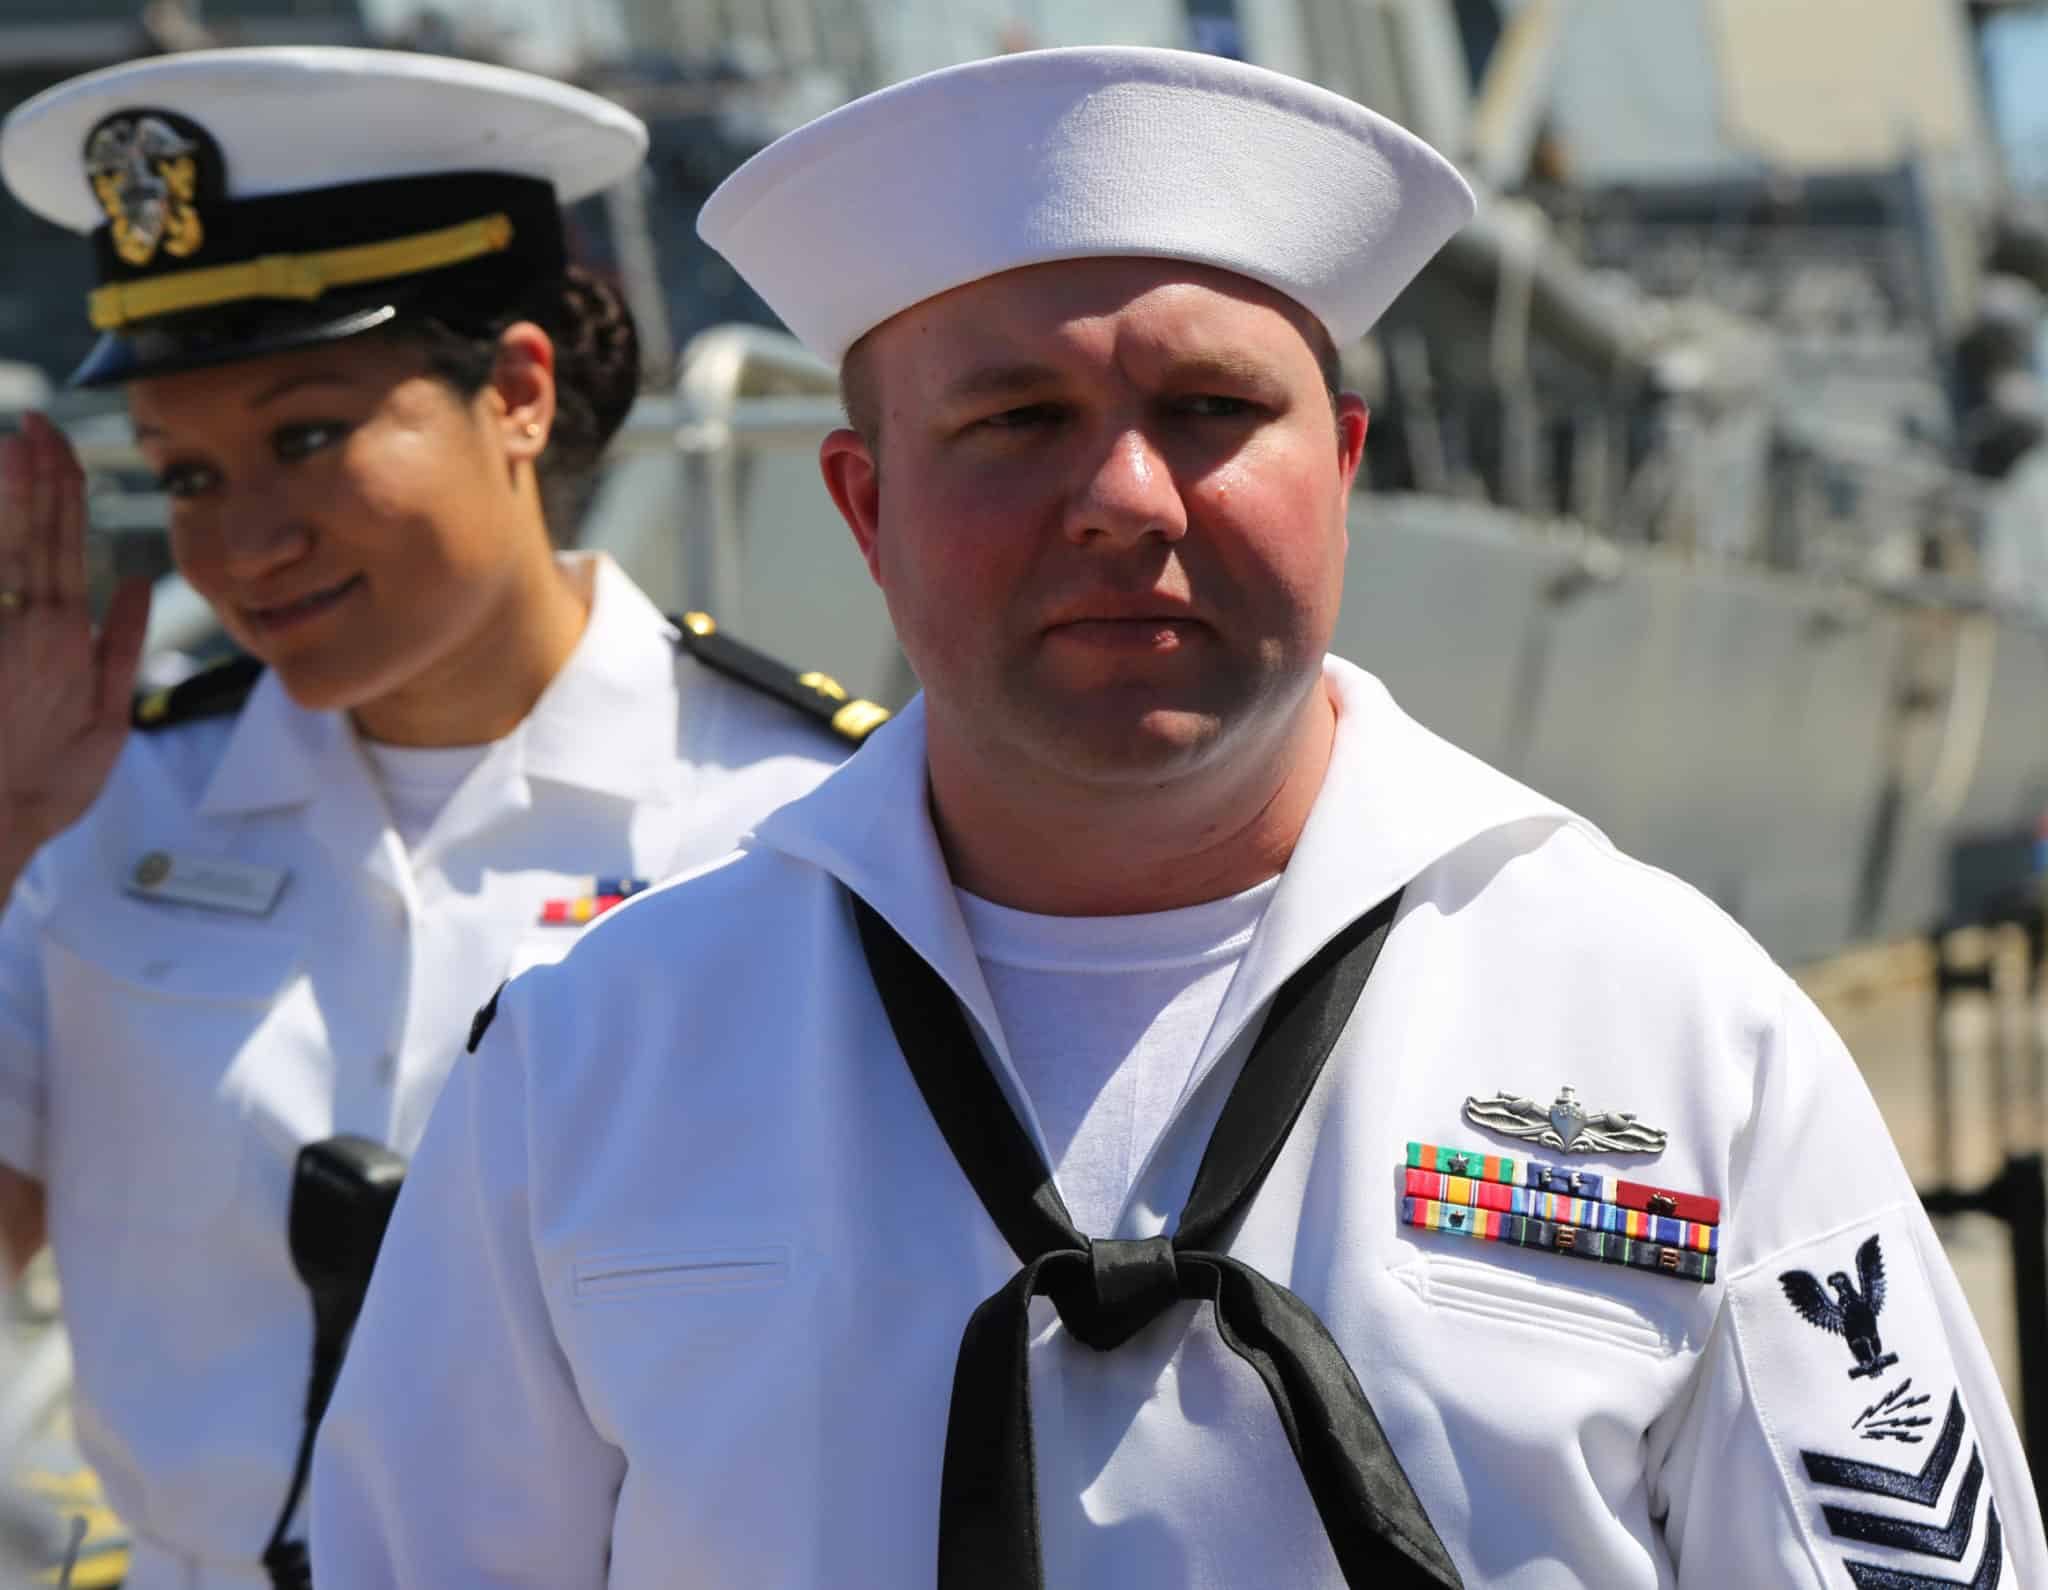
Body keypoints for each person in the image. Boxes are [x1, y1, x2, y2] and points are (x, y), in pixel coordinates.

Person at [310, 45, 2046, 1588]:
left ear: (1343, 466)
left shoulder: (1685, 1037)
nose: (1126, 497)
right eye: (1015, 420)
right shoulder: (589, 1068)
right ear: (865, 500)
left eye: (1212, 409)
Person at [0, 46, 883, 1590]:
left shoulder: (798, 818)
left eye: (307, 436)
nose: (243, 541)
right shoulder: (85, 818)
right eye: (186, 473)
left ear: (521, 393)